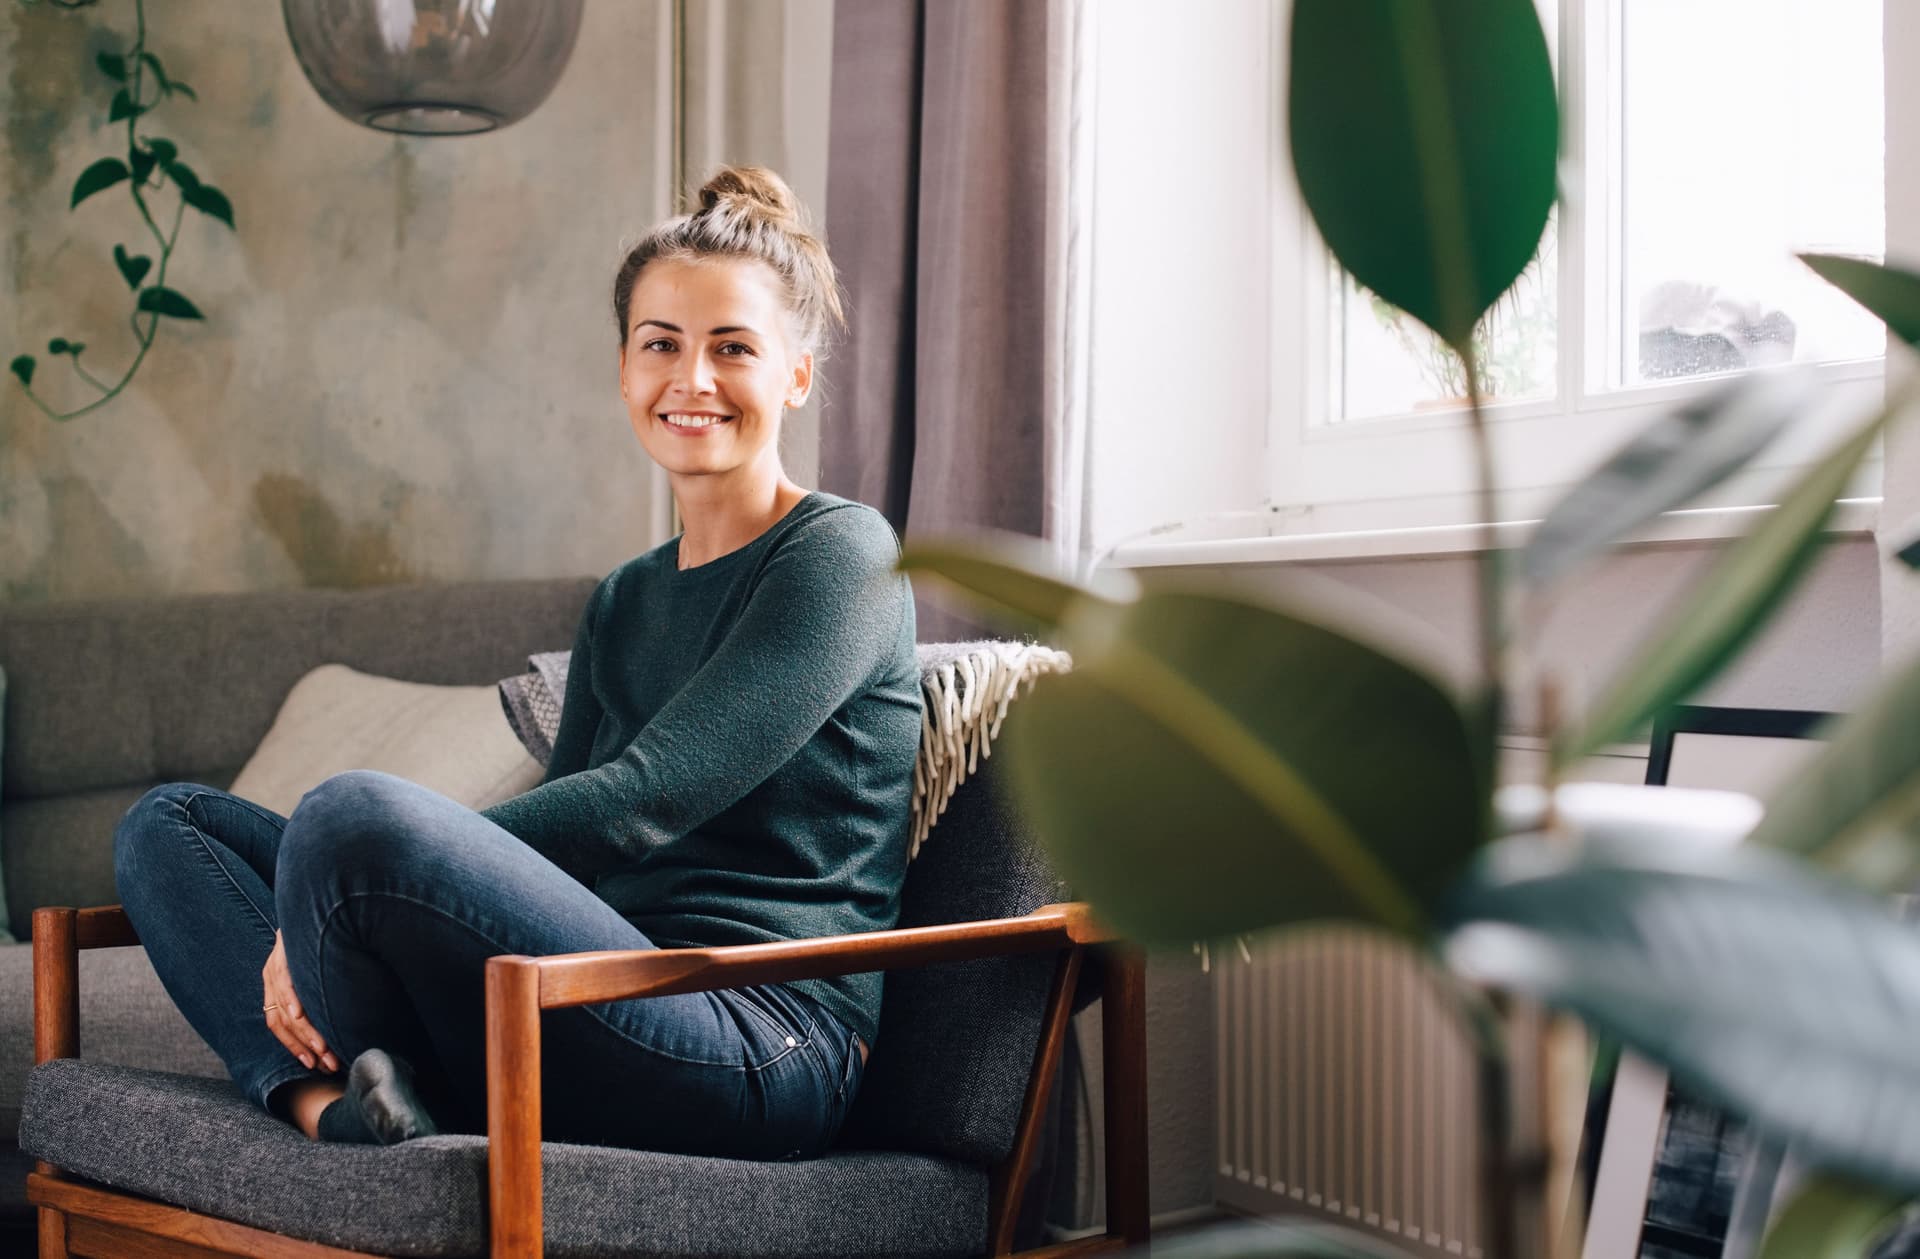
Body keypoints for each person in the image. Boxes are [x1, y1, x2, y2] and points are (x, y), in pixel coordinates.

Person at [113, 166, 922, 1160]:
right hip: (585, 995)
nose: (692, 379)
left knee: (348, 815)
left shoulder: (843, 554)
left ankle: (391, 1086)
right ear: (623, 370)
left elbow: (641, 799)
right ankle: (339, 1108)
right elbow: (559, 829)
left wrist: (330, 879)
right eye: (660, 344)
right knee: (173, 824)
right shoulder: (625, 596)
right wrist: (325, 885)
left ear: (796, 374)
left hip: (758, 1036)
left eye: (733, 349)